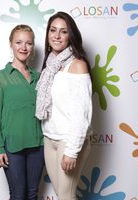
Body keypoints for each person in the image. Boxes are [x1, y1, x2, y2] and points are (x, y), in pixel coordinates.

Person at [35, 11, 92, 199]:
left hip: (68, 140)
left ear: (71, 36)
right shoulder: (50, 65)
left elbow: (81, 113)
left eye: (63, 31)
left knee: (66, 196)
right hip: (49, 138)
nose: (57, 36)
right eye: (53, 30)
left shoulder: (77, 65)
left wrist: (72, 151)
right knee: (62, 194)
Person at [0, 24, 44, 200]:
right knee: (18, 195)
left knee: (32, 194)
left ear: (32, 47)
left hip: (38, 145)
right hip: (12, 147)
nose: (23, 47)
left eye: (28, 43)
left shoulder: (39, 77)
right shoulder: (0, 77)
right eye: (18, 42)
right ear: (11, 44)